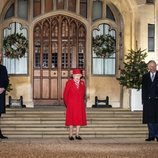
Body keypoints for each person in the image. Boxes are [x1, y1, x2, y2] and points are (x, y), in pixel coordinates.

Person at [63, 68, 87, 140]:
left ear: (80, 76)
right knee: (71, 120)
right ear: (73, 76)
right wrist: (68, 104)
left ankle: (77, 134)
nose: (77, 77)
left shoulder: (82, 83)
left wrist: (82, 103)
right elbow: (65, 94)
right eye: (75, 75)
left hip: (80, 104)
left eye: (79, 75)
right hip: (71, 104)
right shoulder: (69, 83)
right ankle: (70, 135)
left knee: (79, 120)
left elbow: (83, 94)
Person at [142, 60, 158, 142]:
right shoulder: (145, 76)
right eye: (151, 66)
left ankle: (157, 135)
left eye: (154, 66)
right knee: (150, 119)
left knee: (157, 119)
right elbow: (144, 90)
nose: (152, 68)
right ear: (148, 67)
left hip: (157, 100)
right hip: (148, 101)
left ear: (156, 66)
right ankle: (151, 136)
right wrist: (143, 101)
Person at [0, 53, 9, 139]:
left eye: (0, 57)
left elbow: (6, 80)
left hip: (0, 94)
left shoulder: (3, 68)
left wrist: (3, 88)